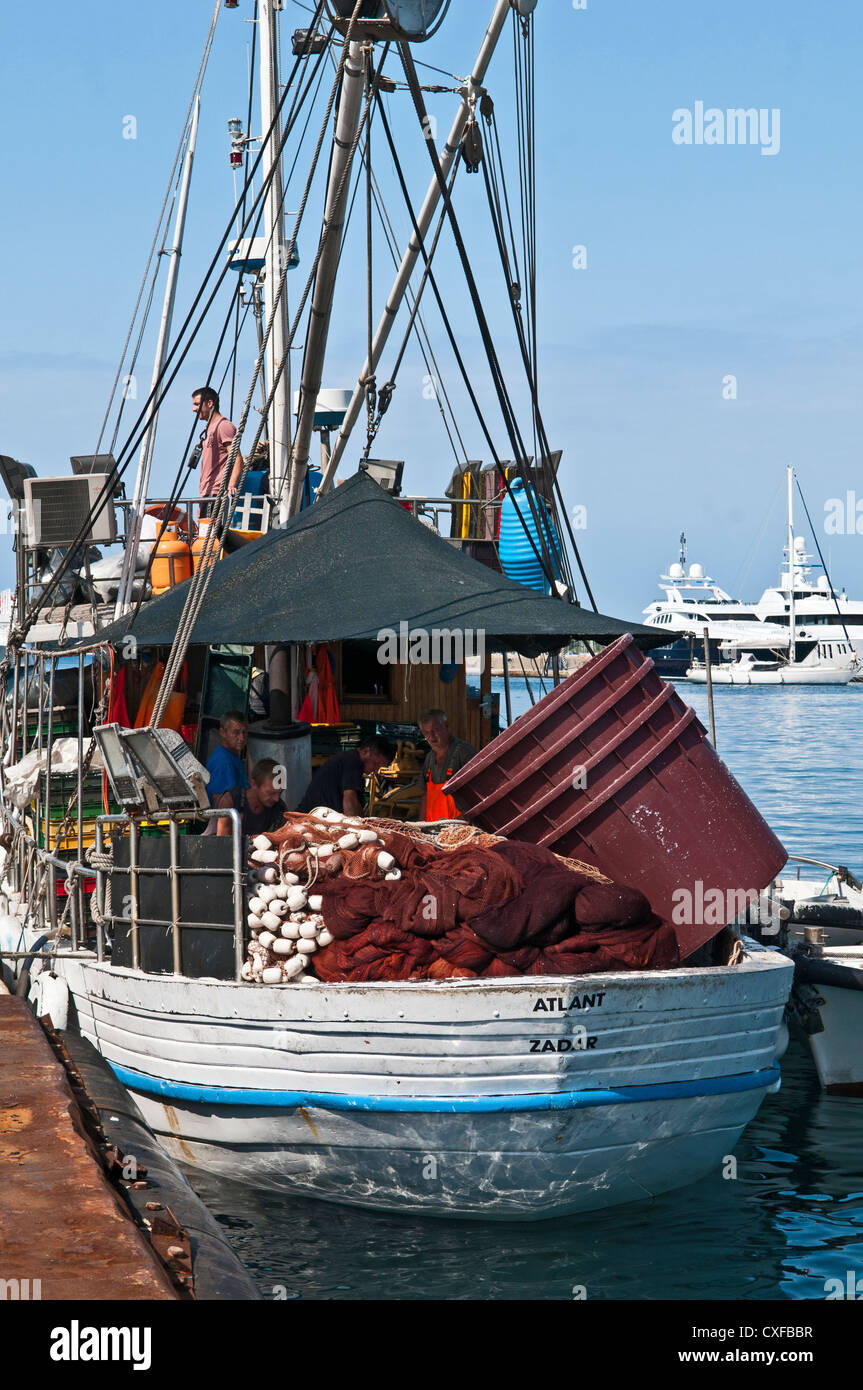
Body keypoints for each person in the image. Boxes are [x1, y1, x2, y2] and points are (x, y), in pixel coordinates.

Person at [297, 736, 394, 817]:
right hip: (310, 819)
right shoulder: (353, 762)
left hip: (315, 816)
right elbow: (350, 801)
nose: (376, 770)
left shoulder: (349, 759)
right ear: (366, 752)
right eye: (376, 764)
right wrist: (358, 829)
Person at [418, 709, 476, 822]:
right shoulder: (429, 758)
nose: (432, 737)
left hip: (457, 830)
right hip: (433, 829)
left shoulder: (464, 752)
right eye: (426, 733)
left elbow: (478, 793)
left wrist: (462, 825)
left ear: (447, 726)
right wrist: (420, 826)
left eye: (435, 730)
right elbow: (425, 796)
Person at [192, 386, 243, 512]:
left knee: (211, 531)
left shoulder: (224, 426)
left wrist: (231, 485)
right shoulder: (209, 429)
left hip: (216, 493)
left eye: (197, 404)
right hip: (206, 493)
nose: (194, 409)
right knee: (204, 530)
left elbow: (238, 459)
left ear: (210, 403)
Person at [215, 758, 287, 838]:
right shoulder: (231, 801)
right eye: (270, 793)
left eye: (280, 792)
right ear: (253, 784)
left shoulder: (279, 809)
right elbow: (221, 843)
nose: (276, 799)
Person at [206, 710, 250, 798]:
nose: (241, 738)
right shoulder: (224, 763)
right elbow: (219, 803)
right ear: (223, 733)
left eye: (244, 732)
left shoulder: (231, 755)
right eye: (236, 733)